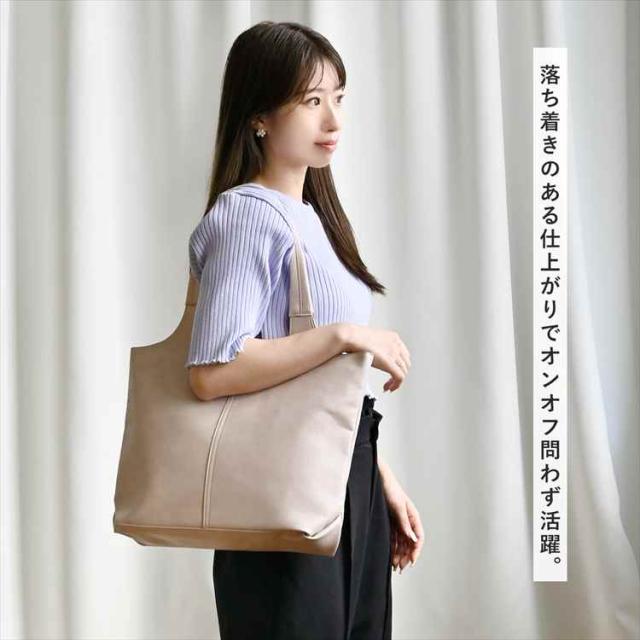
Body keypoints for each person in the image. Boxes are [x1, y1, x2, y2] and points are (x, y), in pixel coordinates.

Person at [184, 20, 424, 640]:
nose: (333, 120)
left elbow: (322, 390)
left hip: (348, 476)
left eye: (338, 98)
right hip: (281, 492)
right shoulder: (245, 215)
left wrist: (380, 481)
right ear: (260, 116)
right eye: (312, 101)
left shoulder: (315, 221)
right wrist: (345, 336)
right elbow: (212, 372)